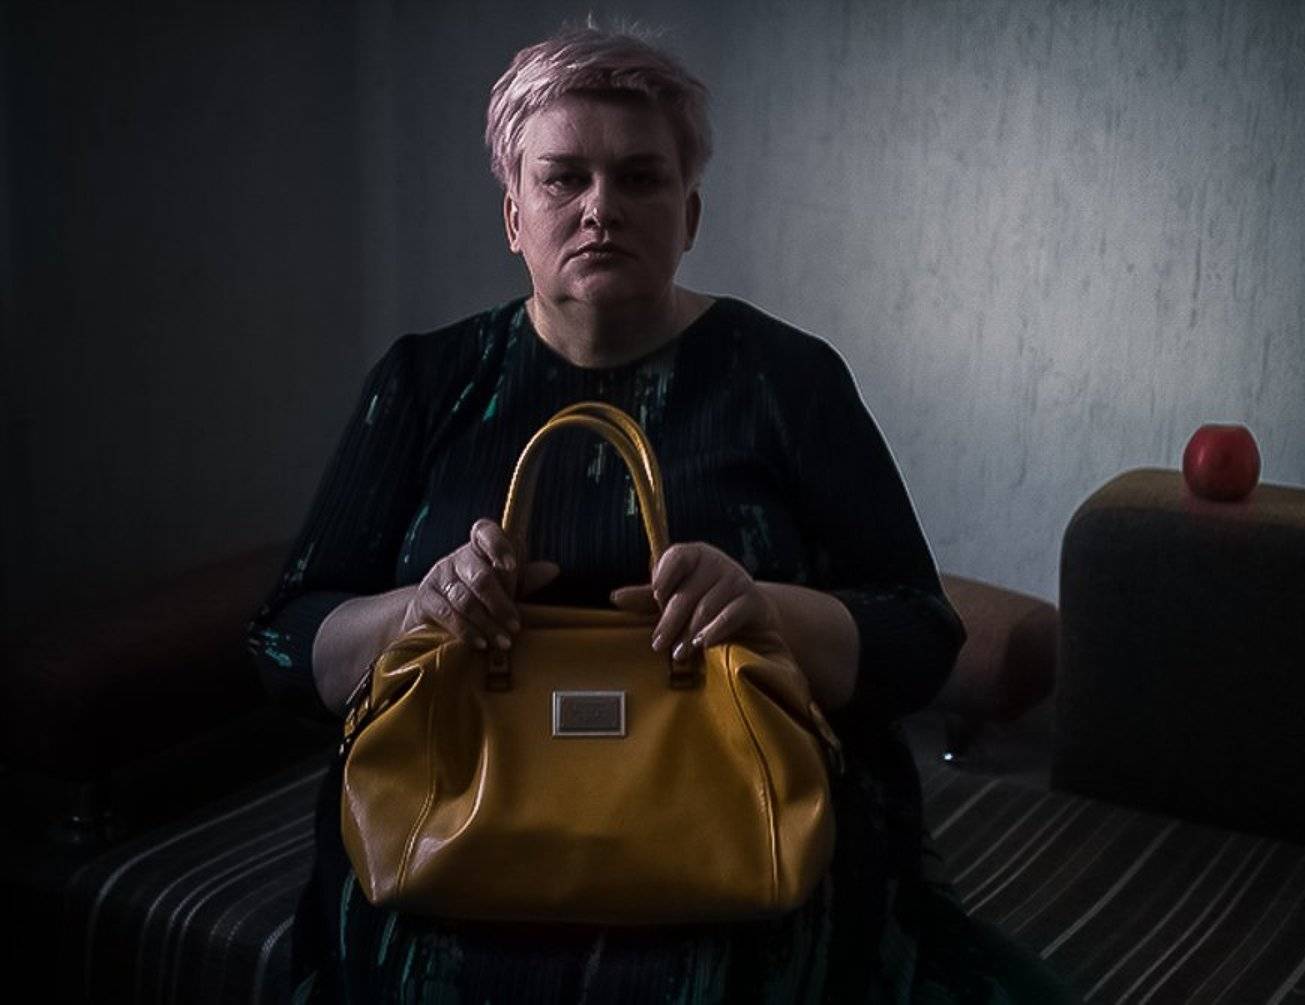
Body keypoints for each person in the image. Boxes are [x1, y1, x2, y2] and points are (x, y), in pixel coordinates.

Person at [248, 22, 1073, 1003]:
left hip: (737, 822)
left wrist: (766, 610)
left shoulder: (788, 380)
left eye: (639, 178)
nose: (600, 209)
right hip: (456, 820)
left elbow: (920, 638)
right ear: (513, 214)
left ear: (690, 213)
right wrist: (417, 611)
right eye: (564, 179)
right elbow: (284, 642)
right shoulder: (426, 383)